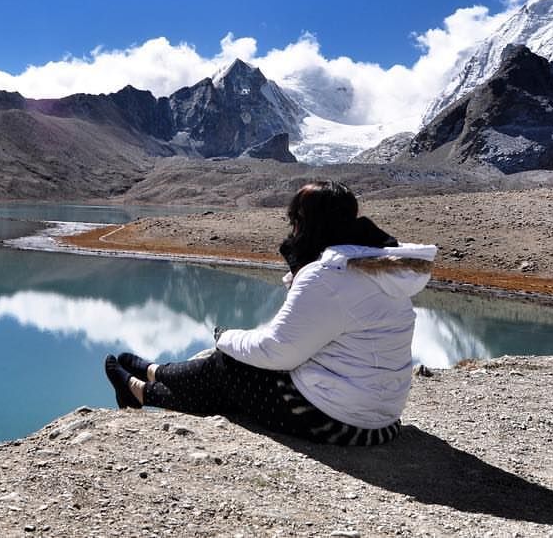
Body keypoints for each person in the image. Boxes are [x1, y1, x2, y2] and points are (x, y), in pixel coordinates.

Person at [103, 180, 437, 446]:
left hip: (342, 424)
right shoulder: (376, 266)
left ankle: (141, 390)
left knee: (228, 365)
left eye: (296, 222)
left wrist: (224, 338)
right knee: (238, 371)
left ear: (310, 225)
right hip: (381, 419)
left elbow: (277, 352)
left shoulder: (326, 276)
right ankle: (154, 371)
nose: (292, 232)